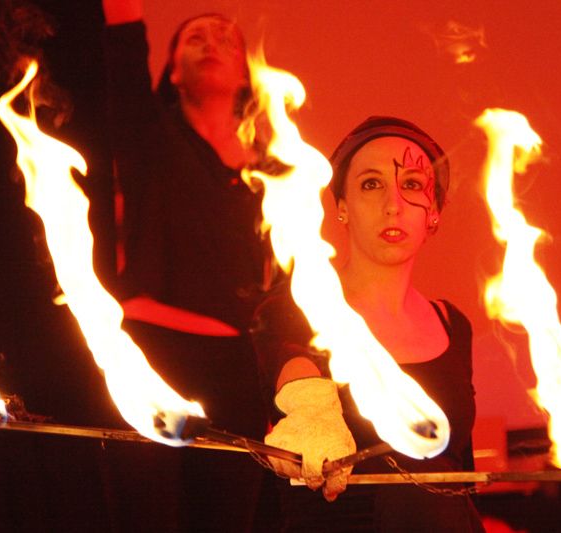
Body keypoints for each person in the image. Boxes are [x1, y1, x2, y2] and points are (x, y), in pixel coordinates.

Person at [251, 116, 486, 531]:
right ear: (342, 207)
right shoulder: (299, 307)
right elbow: (292, 367)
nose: (392, 204)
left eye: (411, 184)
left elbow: (461, 480)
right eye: (371, 184)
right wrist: (308, 405)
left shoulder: (453, 324)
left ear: (433, 211)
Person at [103, 1, 273, 530]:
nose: (211, 44)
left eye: (226, 39)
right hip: (155, 353)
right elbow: (124, 50)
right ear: (172, 69)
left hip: (240, 373)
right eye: (194, 37)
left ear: (248, 73)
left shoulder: (275, 169)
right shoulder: (150, 136)